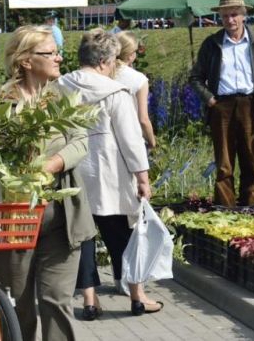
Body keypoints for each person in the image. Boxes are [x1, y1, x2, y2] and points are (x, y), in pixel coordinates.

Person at [0, 26, 95, 341]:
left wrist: (52, 164)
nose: (59, 57)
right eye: (50, 53)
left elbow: (80, 139)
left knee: (56, 300)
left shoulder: (63, 95)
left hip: (64, 217)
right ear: (25, 61)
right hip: (16, 217)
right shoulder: (0, 102)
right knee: (16, 305)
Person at [59, 29, 161, 318]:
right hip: (111, 175)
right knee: (123, 238)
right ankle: (136, 296)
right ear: (104, 61)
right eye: (115, 59)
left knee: (83, 238)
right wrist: (142, 177)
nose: (116, 65)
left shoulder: (60, 87)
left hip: (74, 173)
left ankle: (90, 301)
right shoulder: (115, 92)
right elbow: (130, 139)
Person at [189, 0, 254, 207]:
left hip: (251, 104)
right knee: (224, 163)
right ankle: (225, 209)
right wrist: (210, 100)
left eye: (234, 14)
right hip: (222, 106)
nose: (230, 20)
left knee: (250, 159)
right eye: (225, 16)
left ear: (243, 15)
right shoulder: (212, 44)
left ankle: (250, 206)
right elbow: (195, 78)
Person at [114, 32, 156, 149]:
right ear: (130, 55)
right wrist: (152, 141)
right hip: (131, 140)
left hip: (106, 140)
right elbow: (143, 119)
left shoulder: (103, 74)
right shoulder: (139, 79)